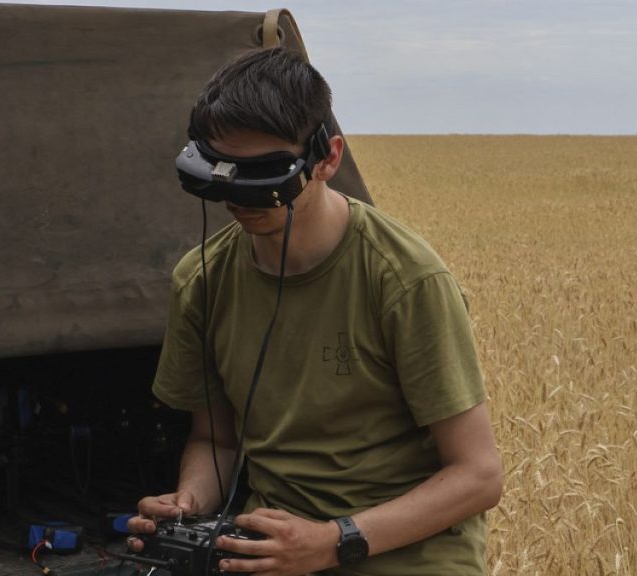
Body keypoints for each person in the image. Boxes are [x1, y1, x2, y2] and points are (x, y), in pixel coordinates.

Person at [127, 47, 502, 575]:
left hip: (409, 554)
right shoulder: (201, 281)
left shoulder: (403, 279)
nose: (237, 195)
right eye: (221, 171)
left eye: (263, 175)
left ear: (327, 158)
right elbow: (217, 440)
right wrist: (187, 506)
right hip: (270, 548)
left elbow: (479, 476)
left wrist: (331, 541)